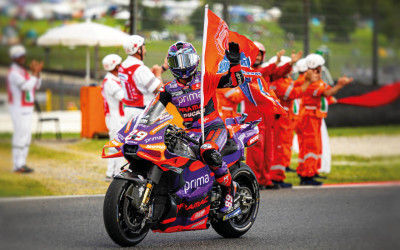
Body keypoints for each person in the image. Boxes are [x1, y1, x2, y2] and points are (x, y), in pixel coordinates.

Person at [157, 41, 243, 213]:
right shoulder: (168, 88)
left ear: (194, 59)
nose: (182, 67)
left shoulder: (206, 78)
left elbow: (235, 81)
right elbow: (152, 111)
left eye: (186, 60)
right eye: (177, 62)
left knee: (207, 150)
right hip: (188, 132)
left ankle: (229, 189)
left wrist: (234, 63)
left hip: (213, 127)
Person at [245, 41, 302, 189]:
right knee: (256, 151)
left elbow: (277, 73)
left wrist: (290, 65)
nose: (257, 57)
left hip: (268, 117)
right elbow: (262, 73)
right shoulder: (246, 72)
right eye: (254, 54)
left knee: (268, 150)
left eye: (260, 54)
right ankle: (255, 180)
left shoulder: (266, 73)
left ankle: (265, 179)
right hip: (255, 118)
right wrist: (275, 63)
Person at [297, 54, 353, 185]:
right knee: (310, 147)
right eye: (319, 67)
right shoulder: (310, 82)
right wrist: (339, 85)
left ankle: (311, 171)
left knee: (315, 146)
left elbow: (327, 92)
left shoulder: (315, 80)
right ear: (316, 67)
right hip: (309, 117)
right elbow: (327, 92)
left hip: (314, 116)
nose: (321, 69)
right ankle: (307, 175)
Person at [269, 56, 312, 188]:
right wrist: (307, 82)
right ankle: (276, 177)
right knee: (279, 149)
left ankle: (279, 176)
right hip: (280, 120)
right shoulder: (277, 82)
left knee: (284, 148)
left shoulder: (284, 79)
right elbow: (294, 93)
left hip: (285, 120)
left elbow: (294, 86)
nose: (290, 69)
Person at [7, 45, 43, 173]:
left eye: (23, 56)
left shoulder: (23, 72)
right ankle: (18, 164)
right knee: (20, 136)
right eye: (19, 57)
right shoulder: (14, 73)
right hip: (18, 107)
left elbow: (36, 85)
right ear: (14, 58)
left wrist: (37, 73)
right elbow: (26, 87)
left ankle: (22, 162)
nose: (22, 58)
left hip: (27, 107)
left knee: (26, 137)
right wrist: (34, 74)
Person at [119, 35, 164, 122]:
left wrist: (163, 67)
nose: (145, 50)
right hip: (141, 112)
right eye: (143, 47)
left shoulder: (123, 66)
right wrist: (158, 74)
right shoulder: (140, 69)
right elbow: (160, 90)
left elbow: (140, 78)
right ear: (138, 49)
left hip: (128, 110)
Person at [101, 54, 126, 181]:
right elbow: (123, 96)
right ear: (114, 66)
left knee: (116, 145)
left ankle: (112, 172)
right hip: (115, 116)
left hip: (117, 116)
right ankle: (114, 173)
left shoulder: (113, 79)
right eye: (119, 64)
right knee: (117, 145)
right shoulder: (110, 81)